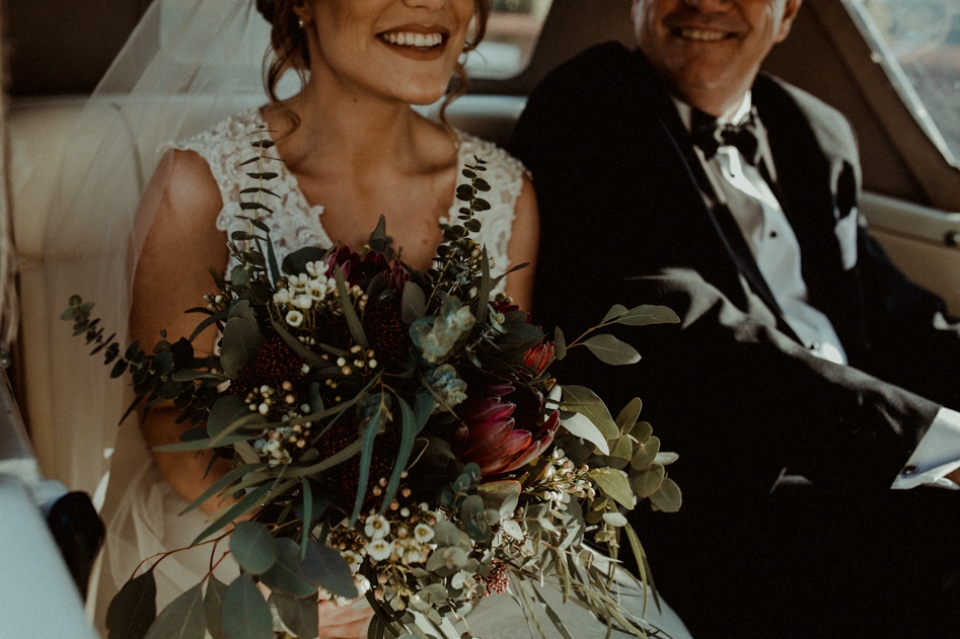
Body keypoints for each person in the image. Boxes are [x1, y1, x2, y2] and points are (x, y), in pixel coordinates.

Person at [54, 1, 691, 638]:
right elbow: (170, 415)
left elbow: (500, 404)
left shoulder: (504, 194)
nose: (431, 4)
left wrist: (440, 546)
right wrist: (299, 555)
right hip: (234, 530)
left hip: (432, 550)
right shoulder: (202, 187)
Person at [507, 0, 960, 637]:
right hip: (721, 499)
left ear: (789, 13)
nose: (707, 2)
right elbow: (690, 336)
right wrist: (935, 443)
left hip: (853, 457)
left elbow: (893, 316)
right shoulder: (589, 110)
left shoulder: (810, 129)